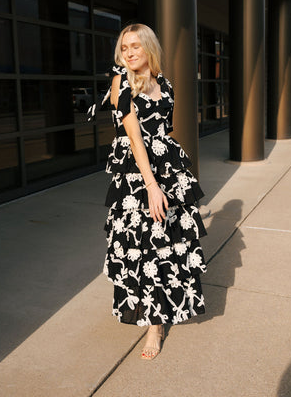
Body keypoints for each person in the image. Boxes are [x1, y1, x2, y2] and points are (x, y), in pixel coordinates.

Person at [87, 23, 207, 360]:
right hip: (136, 175)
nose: (129, 53)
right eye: (124, 48)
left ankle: (159, 316)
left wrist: (170, 176)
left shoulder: (165, 85)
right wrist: (151, 185)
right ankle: (153, 322)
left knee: (167, 244)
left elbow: (165, 132)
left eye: (135, 46)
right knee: (142, 245)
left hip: (168, 169)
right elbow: (134, 136)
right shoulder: (121, 82)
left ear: (149, 48)